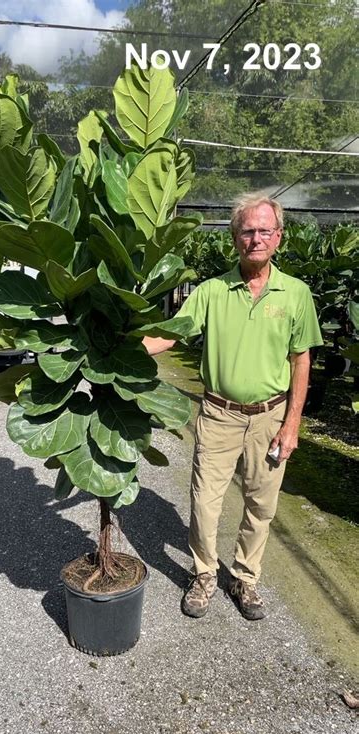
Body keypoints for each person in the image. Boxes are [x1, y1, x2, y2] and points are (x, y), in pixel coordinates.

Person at [143, 193, 323, 621]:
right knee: (205, 501)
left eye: (264, 230)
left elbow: (302, 361)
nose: (255, 238)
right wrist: (118, 350)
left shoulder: (295, 294)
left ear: (279, 237)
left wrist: (292, 424)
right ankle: (205, 573)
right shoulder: (210, 291)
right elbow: (170, 336)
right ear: (234, 238)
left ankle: (245, 577)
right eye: (247, 230)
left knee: (261, 505)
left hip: (272, 417)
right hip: (219, 415)